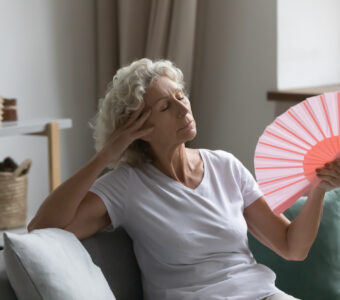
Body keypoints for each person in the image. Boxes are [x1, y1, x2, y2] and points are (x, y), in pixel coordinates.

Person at [28, 58, 339, 300]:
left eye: (180, 96)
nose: (183, 109)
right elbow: (42, 228)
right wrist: (105, 156)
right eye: (166, 107)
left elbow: (292, 247)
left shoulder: (225, 166)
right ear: (139, 129)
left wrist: (318, 189)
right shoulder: (125, 186)